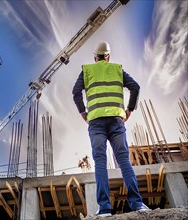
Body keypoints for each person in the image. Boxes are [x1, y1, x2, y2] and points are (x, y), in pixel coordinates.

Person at [72, 41, 150, 217]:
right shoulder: (117, 69)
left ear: (95, 57)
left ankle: (105, 208)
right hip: (116, 120)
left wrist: (84, 113)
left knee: (100, 162)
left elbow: (75, 92)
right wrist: (129, 110)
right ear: (108, 57)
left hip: (96, 122)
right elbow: (135, 87)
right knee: (123, 160)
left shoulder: (86, 70)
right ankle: (137, 204)